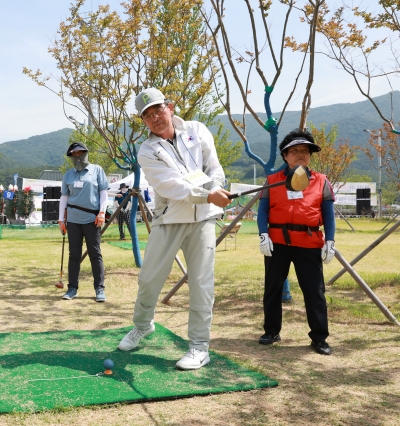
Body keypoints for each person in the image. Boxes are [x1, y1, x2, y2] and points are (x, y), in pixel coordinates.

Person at [117, 88, 232, 370]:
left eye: (158, 109)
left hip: (204, 218)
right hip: (169, 218)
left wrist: (215, 189)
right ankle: (143, 326)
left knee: (202, 283)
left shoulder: (197, 130)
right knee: (149, 278)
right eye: (147, 114)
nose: (155, 117)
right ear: (143, 121)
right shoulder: (147, 150)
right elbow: (170, 186)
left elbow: (214, 167)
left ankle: (199, 347)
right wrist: (208, 194)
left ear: (170, 106)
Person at [257, 129, 336, 355]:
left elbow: (328, 214)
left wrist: (330, 240)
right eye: (295, 151)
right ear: (285, 155)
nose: (300, 154)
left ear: (310, 155)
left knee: (314, 292)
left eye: (305, 151)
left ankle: (319, 337)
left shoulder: (321, 181)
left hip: (308, 243)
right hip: (277, 243)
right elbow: (262, 211)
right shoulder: (272, 181)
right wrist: (263, 234)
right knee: (272, 289)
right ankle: (271, 331)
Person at [58, 142, 109, 302]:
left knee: (95, 253)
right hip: (73, 220)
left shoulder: (97, 170)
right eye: (74, 154)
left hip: (92, 219)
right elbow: (64, 198)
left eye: (80, 152)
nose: (77, 156)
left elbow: (104, 194)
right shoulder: (68, 175)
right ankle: (72, 288)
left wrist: (101, 212)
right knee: (74, 255)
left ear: (85, 153)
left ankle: (99, 289)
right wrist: (61, 219)